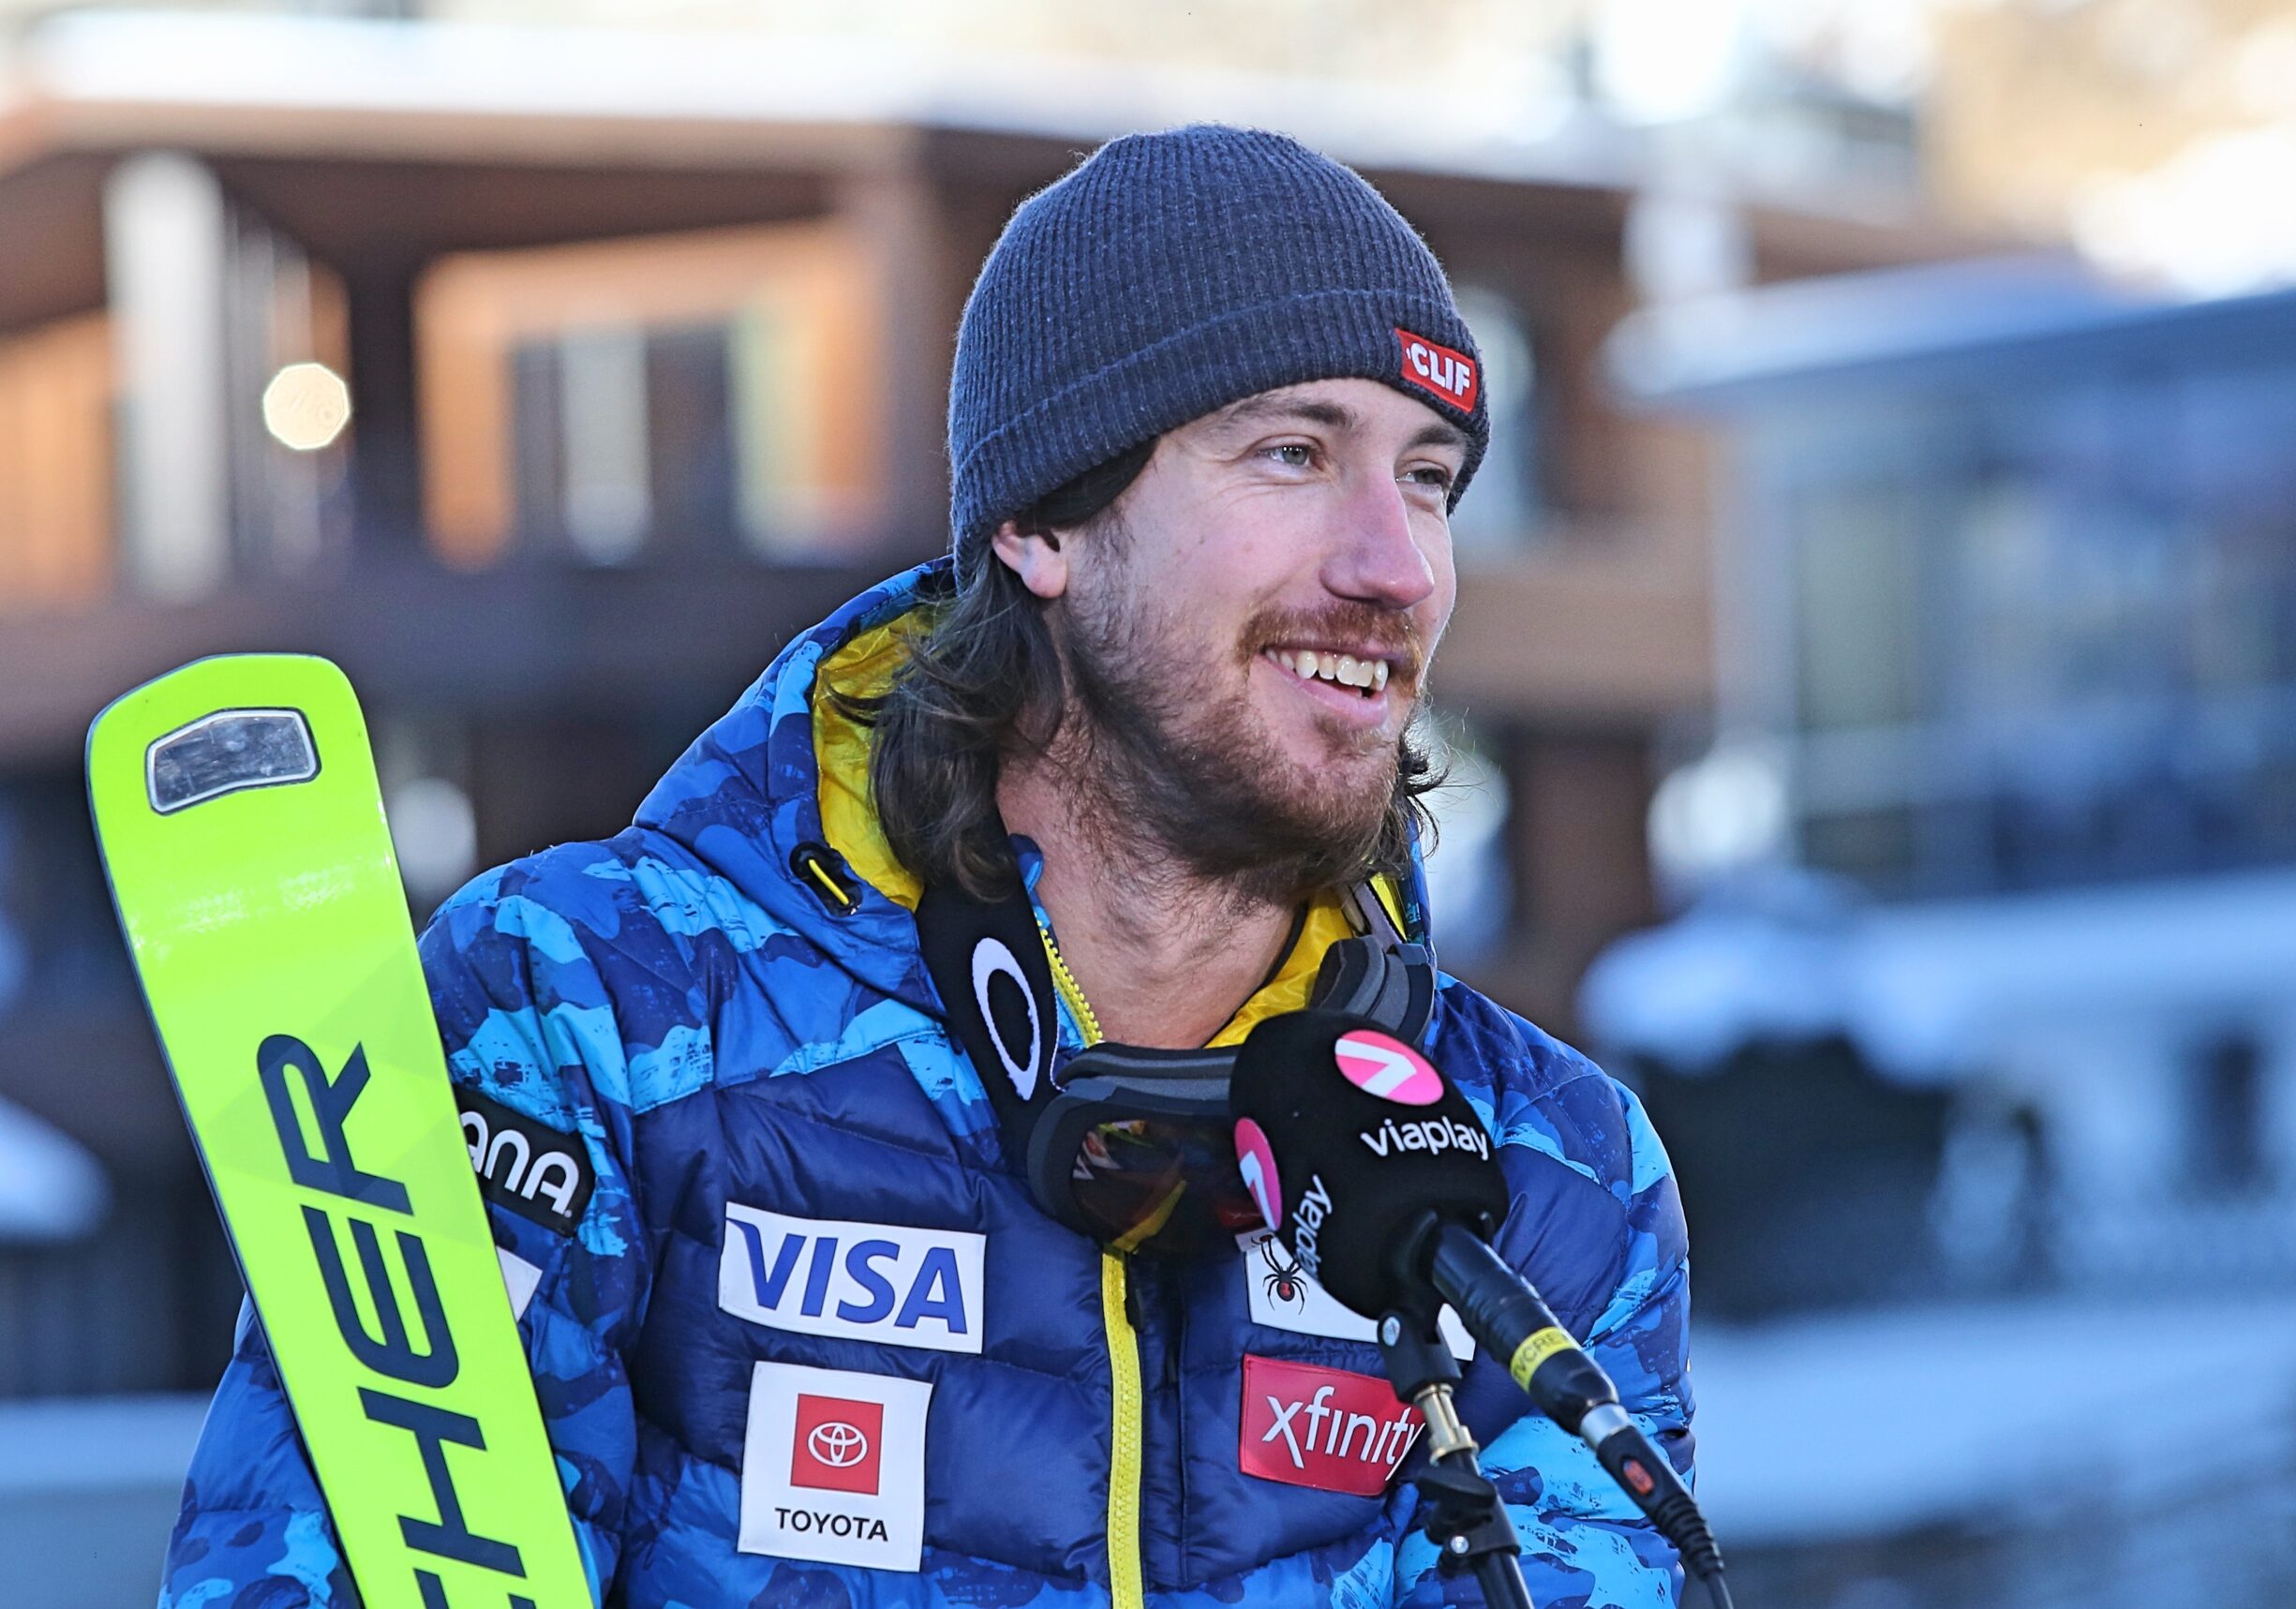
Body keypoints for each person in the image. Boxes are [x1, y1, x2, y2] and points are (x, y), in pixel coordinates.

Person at [161, 124, 1694, 1609]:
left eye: (1429, 477)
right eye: (1293, 453)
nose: (1398, 564)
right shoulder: (595, 1023)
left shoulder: (1548, 1171)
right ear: (1041, 523)